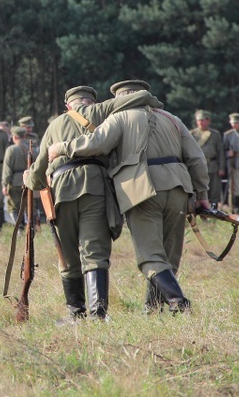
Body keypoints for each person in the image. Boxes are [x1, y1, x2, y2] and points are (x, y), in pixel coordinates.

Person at [48, 80, 210, 314]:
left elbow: (97, 143)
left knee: (150, 257)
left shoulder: (120, 117)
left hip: (142, 190)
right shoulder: (173, 119)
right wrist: (202, 195)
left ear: (119, 99)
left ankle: (178, 302)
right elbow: (197, 159)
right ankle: (152, 309)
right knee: (168, 256)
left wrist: (62, 148)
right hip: (178, 189)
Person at [26, 85, 164, 323]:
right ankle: (98, 314)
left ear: (68, 106)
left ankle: (75, 313)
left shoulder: (54, 124)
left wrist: (29, 178)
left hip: (61, 190)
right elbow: (139, 96)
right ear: (91, 101)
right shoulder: (102, 111)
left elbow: (39, 170)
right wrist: (153, 101)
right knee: (95, 252)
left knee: (67, 255)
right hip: (95, 186)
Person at [190, 110, 225, 209]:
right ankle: (202, 213)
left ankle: (214, 212)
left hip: (212, 166)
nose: (200, 122)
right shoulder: (192, 134)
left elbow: (220, 152)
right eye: (198, 120)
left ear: (208, 121)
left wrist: (221, 168)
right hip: (197, 167)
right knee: (199, 191)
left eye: (203, 120)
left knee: (214, 191)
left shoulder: (215, 134)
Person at [2, 127, 32, 223]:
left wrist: (5, 184)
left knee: (14, 206)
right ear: (24, 136)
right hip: (29, 181)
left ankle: (20, 228)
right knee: (28, 205)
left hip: (15, 182)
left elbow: (7, 169)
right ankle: (29, 225)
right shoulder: (32, 149)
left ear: (14, 137)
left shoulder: (11, 150)